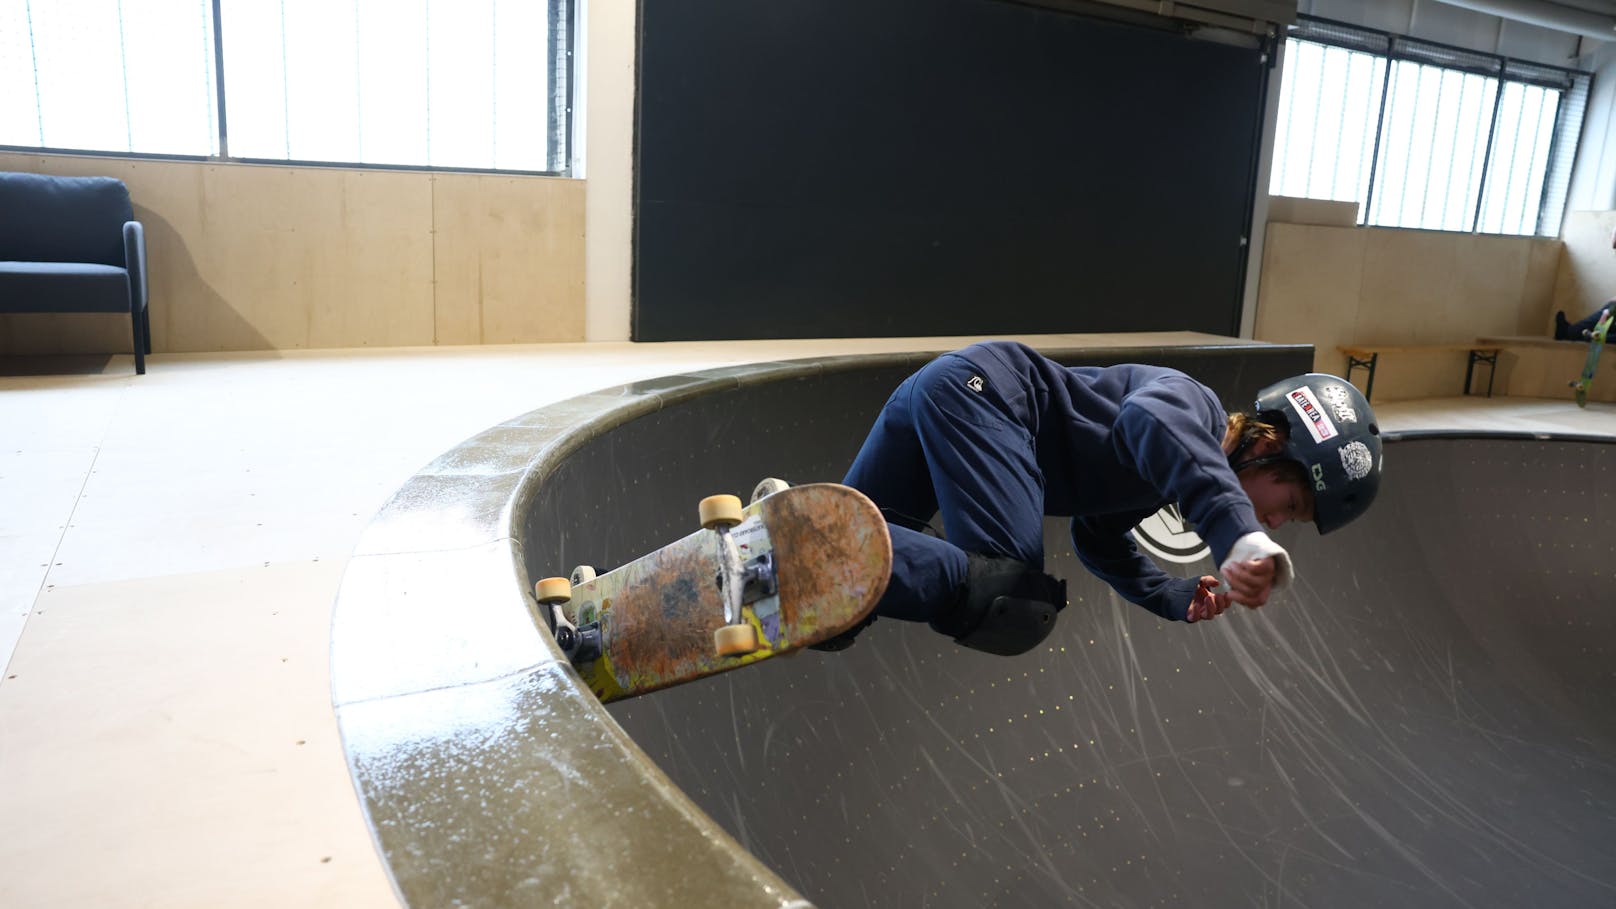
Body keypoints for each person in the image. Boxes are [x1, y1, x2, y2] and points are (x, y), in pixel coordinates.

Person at [823, 341, 1383, 656]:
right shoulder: (1196, 409)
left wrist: (1170, 592)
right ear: (1269, 443)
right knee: (1011, 600)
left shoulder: (1163, 475)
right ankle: (809, 547)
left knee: (838, 602)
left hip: (945, 395)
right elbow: (1150, 419)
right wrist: (1238, 533)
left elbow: (1098, 540)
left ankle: (779, 547)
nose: (1279, 522)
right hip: (985, 398)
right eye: (1289, 502)